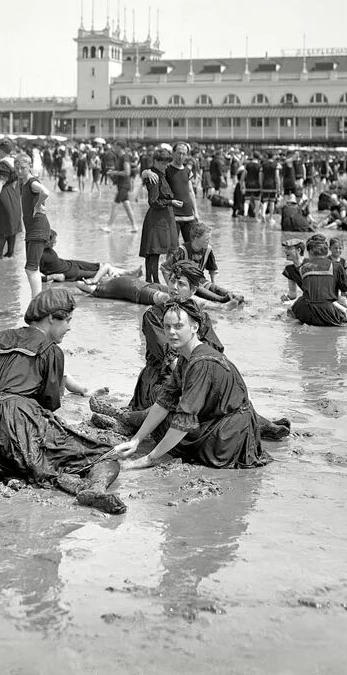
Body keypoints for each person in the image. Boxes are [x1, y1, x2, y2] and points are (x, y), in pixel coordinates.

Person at [0, 289, 125, 514]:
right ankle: (94, 487)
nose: (69, 327)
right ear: (50, 319)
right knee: (105, 454)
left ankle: (63, 480)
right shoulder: (51, 351)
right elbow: (49, 406)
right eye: (67, 320)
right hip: (24, 423)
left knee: (33, 464)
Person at [108, 300, 272, 470]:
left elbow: (185, 420)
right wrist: (136, 440)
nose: (171, 332)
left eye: (178, 326)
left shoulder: (201, 363)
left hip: (229, 436)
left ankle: (160, 454)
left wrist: (148, 459)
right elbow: (165, 401)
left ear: (194, 327)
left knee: (174, 424)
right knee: (165, 418)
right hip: (219, 422)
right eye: (167, 327)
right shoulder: (186, 357)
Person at [283, 234, 347, 326]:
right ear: (326, 251)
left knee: (294, 314)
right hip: (327, 312)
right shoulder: (337, 266)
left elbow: (310, 294)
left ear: (310, 252)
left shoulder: (303, 268)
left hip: (304, 309)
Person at [138, 146, 180, 283]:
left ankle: (153, 281)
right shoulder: (154, 176)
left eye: (166, 163)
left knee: (156, 251)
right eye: (162, 162)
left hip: (163, 218)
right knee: (153, 252)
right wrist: (171, 202)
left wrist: (145, 172)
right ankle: (152, 281)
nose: (165, 165)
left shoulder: (161, 174)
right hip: (157, 218)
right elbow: (153, 201)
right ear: (155, 161)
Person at [18, 154, 51, 296]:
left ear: (30, 167)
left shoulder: (31, 182)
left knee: (31, 268)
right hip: (32, 229)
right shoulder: (24, 183)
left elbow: (45, 191)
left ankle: (36, 300)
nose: (19, 171)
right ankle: (36, 298)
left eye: (23, 168)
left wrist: (38, 205)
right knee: (32, 268)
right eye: (17, 168)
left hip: (38, 228)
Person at [103, 140, 138, 232]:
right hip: (121, 185)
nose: (113, 148)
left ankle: (109, 227)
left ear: (119, 146)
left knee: (115, 205)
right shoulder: (120, 157)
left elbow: (127, 172)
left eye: (115, 146)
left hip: (124, 185)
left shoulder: (124, 157)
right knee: (127, 205)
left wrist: (114, 172)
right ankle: (134, 226)